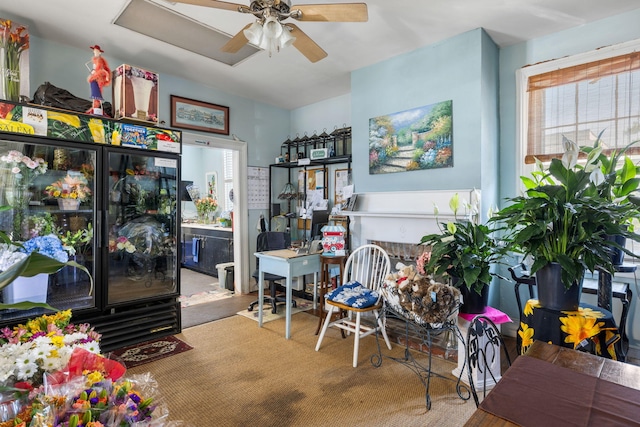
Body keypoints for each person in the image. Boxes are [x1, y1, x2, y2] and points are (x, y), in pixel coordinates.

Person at [86, 44, 111, 115]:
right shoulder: (95, 60)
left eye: (96, 52)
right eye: (94, 52)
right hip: (94, 77)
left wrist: (106, 75)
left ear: (99, 52)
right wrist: (93, 72)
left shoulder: (100, 61)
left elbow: (103, 69)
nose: (95, 53)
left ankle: (97, 108)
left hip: (98, 77)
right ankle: (95, 107)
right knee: (95, 93)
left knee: (98, 93)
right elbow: (94, 69)